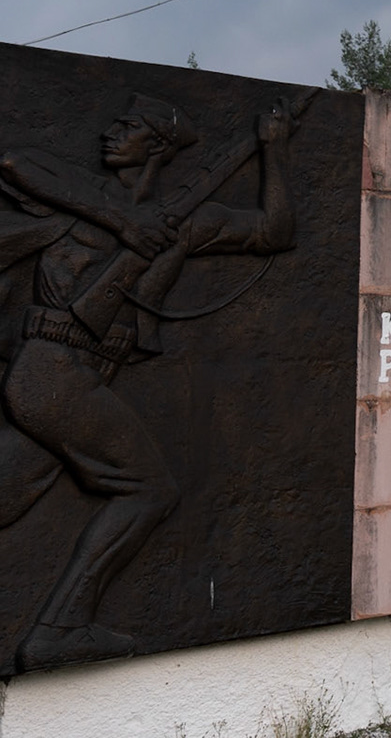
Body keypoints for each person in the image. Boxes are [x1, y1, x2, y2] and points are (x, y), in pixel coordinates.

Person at [0, 93, 294, 673]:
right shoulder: (77, 197)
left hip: (83, 376)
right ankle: (59, 629)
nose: (110, 131)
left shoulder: (182, 223)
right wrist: (123, 222)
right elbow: (13, 161)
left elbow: (274, 233)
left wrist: (275, 152)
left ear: (158, 145)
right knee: (149, 489)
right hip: (50, 371)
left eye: (128, 125)